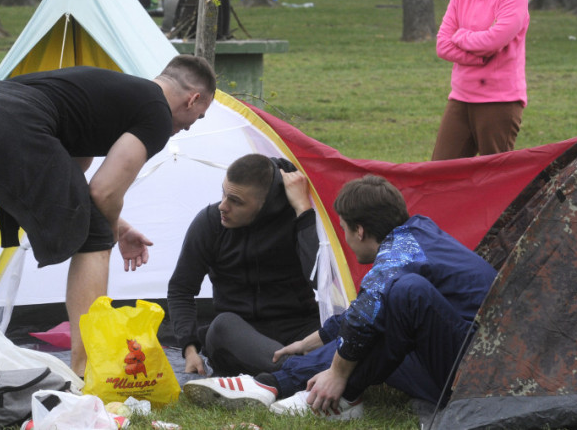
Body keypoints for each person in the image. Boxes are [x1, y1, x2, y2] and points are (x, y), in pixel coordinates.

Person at [0, 55, 217, 395]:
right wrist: (112, 233)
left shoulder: (99, 93)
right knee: (95, 239)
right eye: (195, 119)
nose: (186, 127)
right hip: (17, 129)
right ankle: (86, 375)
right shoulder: (156, 113)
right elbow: (104, 190)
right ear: (193, 99)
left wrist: (121, 225)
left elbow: (79, 181)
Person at [182, 175, 497, 421]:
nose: (345, 237)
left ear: (359, 231)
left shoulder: (399, 254)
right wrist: (312, 341)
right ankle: (276, 385)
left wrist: (338, 372)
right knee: (384, 313)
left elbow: (367, 310)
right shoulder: (417, 231)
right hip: (463, 359)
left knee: (405, 292)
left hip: (478, 376)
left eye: (344, 229)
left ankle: (299, 386)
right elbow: (369, 312)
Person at [168, 154, 320, 377]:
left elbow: (320, 278)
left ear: (266, 204)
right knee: (222, 325)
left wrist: (304, 212)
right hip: (240, 336)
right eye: (224, 193)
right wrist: (190, 350)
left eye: (236, 201)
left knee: (343, 333)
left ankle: (288, 373)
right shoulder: (210, 223)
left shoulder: (297, 219)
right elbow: (181, 289)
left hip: (297, 326)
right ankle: (303, 371)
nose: (223, 206)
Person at [432, 0, 529, 160]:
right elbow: (442, 46)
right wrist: (481, 56)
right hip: (461, 97)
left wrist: (461, 35)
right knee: (438, 172)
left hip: (500, 101)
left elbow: (493, 41)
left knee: (495, 178)